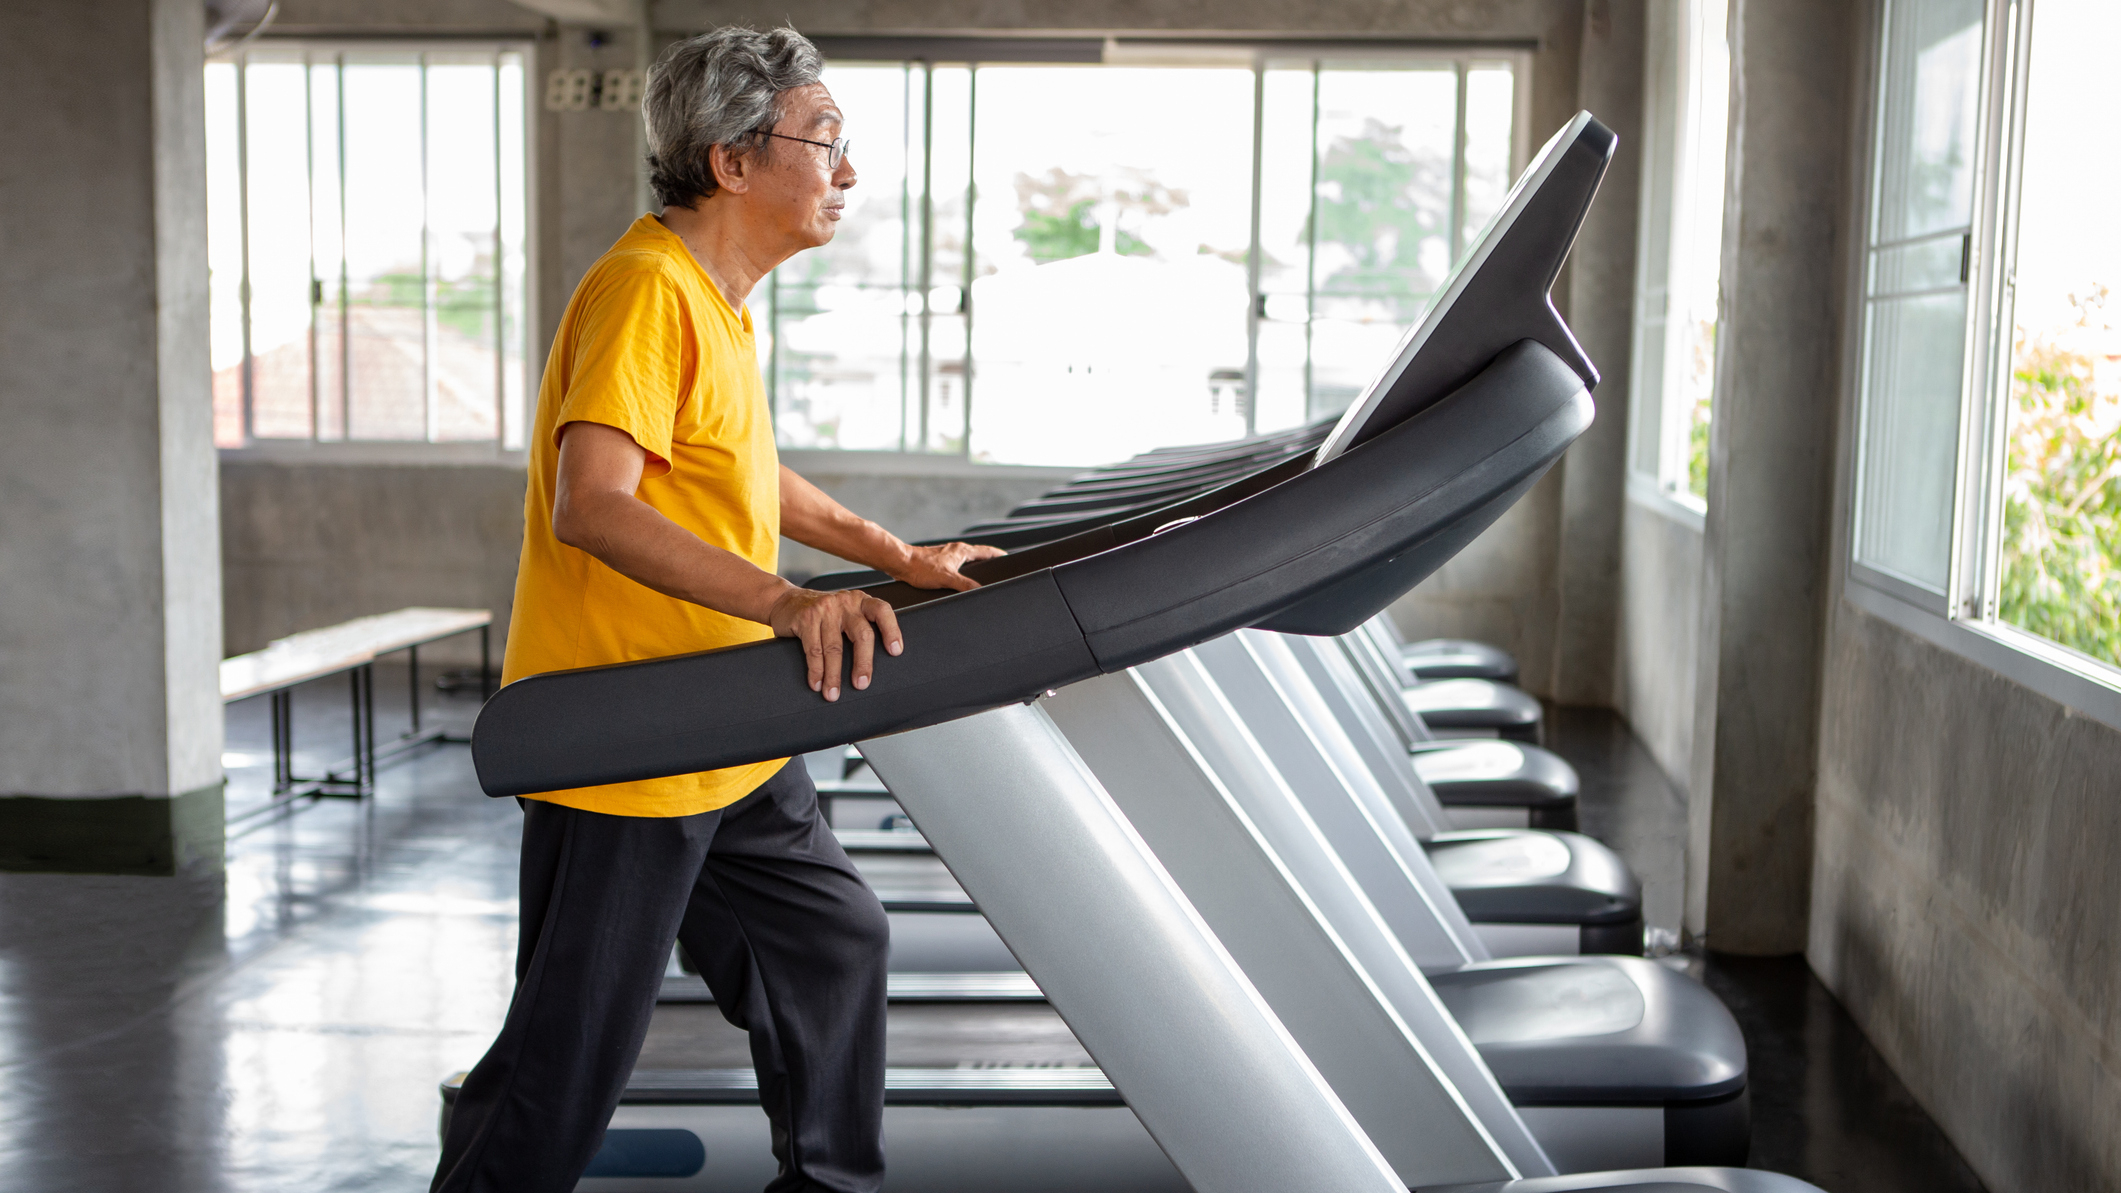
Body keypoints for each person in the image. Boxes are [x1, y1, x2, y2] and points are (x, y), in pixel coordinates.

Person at [431, 27, 1000, 1193]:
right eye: (825, 144)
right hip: (635, 738)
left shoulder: (719, 301)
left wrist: (893, 556)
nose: (846, 175)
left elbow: (745, 472)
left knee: (835, 941)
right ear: (731, 159)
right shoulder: (647, 289)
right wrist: (793, 601)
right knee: (566, 1065)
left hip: (728, 731)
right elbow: (594, 504)